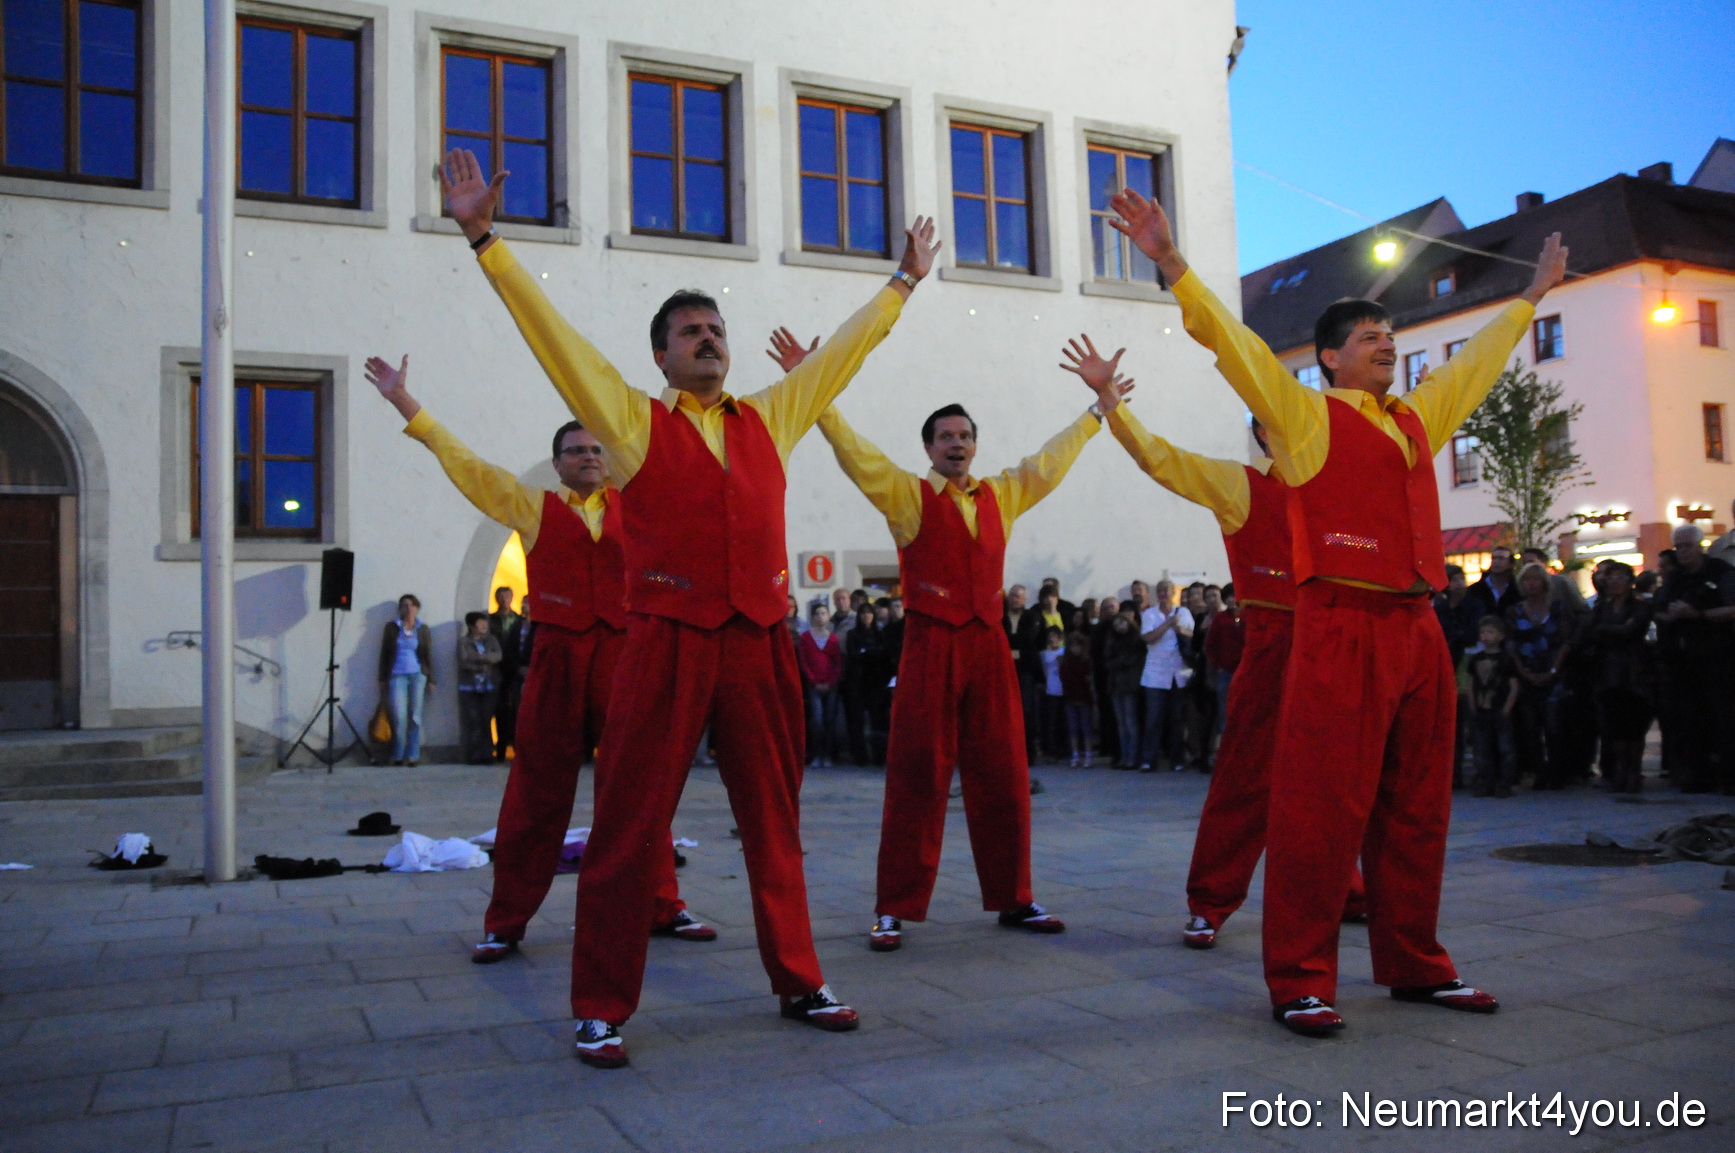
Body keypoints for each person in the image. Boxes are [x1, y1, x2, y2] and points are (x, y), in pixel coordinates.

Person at [439, 147, 939, 1065]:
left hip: (756, 642)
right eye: (690, 332)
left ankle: (801, 978)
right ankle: (598, 1002)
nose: (708, 339)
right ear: (661, 356)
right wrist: (485, 237)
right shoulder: (632, 424)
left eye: (715, 329)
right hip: (664, 642)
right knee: (630, 826)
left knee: (773, 823)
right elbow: (550, 335)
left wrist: (901, 283)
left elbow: (840, 356)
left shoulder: (772, 417)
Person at [1108, 184, 1566, 1034]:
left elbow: (1471, 368)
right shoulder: (1304, 417)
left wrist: (1529, 299)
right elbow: (1235, 348)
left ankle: (1415, 962)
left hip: (1416, 624)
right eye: (1368, 338)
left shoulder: (1412, 420)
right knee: (1319, 806)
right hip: (1338, 624)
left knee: (1417, 806)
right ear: (1327, 358)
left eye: (1389, 335)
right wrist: (1171, 263)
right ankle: (1299, 977)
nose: (1387, 345)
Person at [363, 357, 711, 965]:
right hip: (558, 657)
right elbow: (467, 468)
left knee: (639, 789)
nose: (589, 456)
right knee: (534, 795)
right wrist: (405, 405)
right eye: (576, 450)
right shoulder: (533, 508)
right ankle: (506, 920)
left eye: (597, 448)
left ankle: (662, 903)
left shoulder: (639, 504)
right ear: (558, 464)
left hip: (624, 656)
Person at [791, 335, 1125, 954]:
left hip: (988, 646)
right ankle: (893, 906)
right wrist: (816, 392)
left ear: (975, 443)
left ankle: (1015, 896)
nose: (957, 444)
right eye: (945, 436)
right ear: (928, 448)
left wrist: (1098, 411)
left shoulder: (1003, 492)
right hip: (930, 644)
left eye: (964, 435)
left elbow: (1051, 459)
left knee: (1003, 772)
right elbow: (854, 453)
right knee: (917, 774)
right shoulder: (906, 497)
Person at [1085, 374, 1365, 946]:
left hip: (1334, 644)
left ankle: (1346, 889)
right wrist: (1114, 411)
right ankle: (1211, 900)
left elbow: (1365, 548)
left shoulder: (1336, 487)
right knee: (1245, 780)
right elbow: (1163, 460)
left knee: (1334, 782)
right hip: (1273, 647)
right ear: (1264, 432)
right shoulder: (1242, 487)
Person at [1651, 524, 1735, 793]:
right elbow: (1658, 610)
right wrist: (1672, 615)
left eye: (1686, 546)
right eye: (1678, 546)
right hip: (1683, 660)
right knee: (1688, 718)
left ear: (1700, 545)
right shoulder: (1675, 579)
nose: (1682, 552)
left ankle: (1728, 776)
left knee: (1723, 718)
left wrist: (1699, 614)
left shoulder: (1720, 572)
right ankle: (1695, 774)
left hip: (1718, 657)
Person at [1575, 562, 1654, 793]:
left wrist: (1609, 631)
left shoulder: (1640, 606)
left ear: (1630, 581)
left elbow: (1634, 630)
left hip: (1634, 672)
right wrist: (1616, 630)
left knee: (1635, 725)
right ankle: (1619, 770)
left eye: (1621, 577)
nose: (1616, 582)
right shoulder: (1600, 608)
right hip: (1607, 672)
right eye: (1612, 577)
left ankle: (1633, 770)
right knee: (1614, 725)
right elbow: (1590, 633)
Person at [1505, 562, 1569, 789]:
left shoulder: (1557, 608)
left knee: (1554, 726)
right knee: (1530, 727)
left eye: (1535, 579)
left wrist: (1553, 670)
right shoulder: (1515, 611)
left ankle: (1557, 772)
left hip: (1553, 673)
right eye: (1526, 580)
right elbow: (1511, 645)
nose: (1531, 584)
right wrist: (1524, 672)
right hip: (1526, 674)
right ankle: (1538, 771)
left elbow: (1565, 641)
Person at [1434, 564, 1483, 788]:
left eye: (1460, 579)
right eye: (1453, 579)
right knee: (1453, 722)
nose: (1458, 584)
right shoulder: (1441, 607)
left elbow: (1472, 633)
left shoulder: (1473, 605)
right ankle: (1453, 774)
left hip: (1469, 664)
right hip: (1448, 663)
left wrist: (1457, 637)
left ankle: (1480, 771)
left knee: (1472, 719)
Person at [1136, 579, 1193, 772]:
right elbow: (1148, 638)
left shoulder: (1184, 612)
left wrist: (1180, 629)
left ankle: (1177, 759)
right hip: (1155, 674)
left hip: (1178, 672)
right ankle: (1149, 759)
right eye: (1159, 591)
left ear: (1173, 593)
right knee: (1153, 719)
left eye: (1166, 591)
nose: (1163, 594)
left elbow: (1192, 635)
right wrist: (1168, 624)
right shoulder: (1150, 614)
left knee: (1177, 719)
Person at [1461, 617, 1521, 798]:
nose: (1486, 636)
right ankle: (1486, 782)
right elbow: (1471, 684)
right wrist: (1472, 705)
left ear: (1501, 636)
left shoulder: (1506, 659)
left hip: (1500, 708)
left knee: (1505, 748)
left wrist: (1507, 708)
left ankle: (1504, 783)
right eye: (1483, 632)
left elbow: (1513, 685)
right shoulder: (1475, 659)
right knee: (1481, 749)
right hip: (1481, 710)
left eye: (1490, 632)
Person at [377, 594, 431, 766]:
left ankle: (413, 754)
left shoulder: (422, 628)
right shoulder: (393, 627)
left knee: (415, 716)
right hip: (397, 674)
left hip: (417, 675)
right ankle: (398, 754)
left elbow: (428, 654)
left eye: (411, 605)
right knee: (399, 717)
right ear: (400, 609)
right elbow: (385, 653)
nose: (408, 609)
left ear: (417, 607)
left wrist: (432, 678)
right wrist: (383, 678)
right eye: (405, 606)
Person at [797, 603, 845, 768]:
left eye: (823, 613)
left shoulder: (833, 639)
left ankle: (827, 755)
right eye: (817, 613)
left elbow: (838, 663)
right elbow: (804, 662)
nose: (820, 616)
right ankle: (816, 754)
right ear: (812, 617)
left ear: (828, 616)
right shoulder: (805, 638)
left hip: (831, 685)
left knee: (830, 720)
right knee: (817, 720)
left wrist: (831, 682)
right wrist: (814, 682)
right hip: (814, 684)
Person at [1002, 583, 1047, 759]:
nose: (1014, 599)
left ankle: (1029, 752)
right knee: (1006, 712)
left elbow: (1030, 639)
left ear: (1024, 599)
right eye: (1012, 595)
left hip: (1026, 671)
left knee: (1027, 711)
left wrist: (1011, 641)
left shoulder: (1032, 616)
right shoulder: (1001, 617)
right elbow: (998, 638)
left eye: (1017, 596)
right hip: (1005, 670)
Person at [1105, 606, 1147, 769]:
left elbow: (1136, 660)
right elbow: (1108, 662)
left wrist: (1121, 661)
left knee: (1131, 722)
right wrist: (1120, 662)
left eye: (1121, 622)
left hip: (1130, 685)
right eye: (1116, 623)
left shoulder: (1136, 639)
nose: (1119, 626)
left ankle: (1133, 757)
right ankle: (1124, 756)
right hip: (1115, 684)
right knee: (1121, 724)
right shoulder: (1112, 640)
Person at [488, 587, 523, 760]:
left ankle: (517, 746)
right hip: (497, 669)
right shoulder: (490, 620)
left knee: (517, 708)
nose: (504, 599)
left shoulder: (519, 620)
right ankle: (500, 747)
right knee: (499, 709)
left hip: (515, 668)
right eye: (500, 596)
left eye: (507, 596)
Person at [1091, 596, 1123, 764]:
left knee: (1120, 716)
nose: (1109, 611)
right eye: (1106, 608)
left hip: (1119, 677)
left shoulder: (1122, 628)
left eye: (1112, 607)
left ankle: (1120, 751)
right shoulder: (1097, 630)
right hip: (1102, 677)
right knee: (1106, 713)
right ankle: (1108, 747)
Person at [1060, 631, 1095, 767]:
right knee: (1072, 727)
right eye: (1073, 646)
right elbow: (1065, 678)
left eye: (1078, 646)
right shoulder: (1065, 661)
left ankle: (1088, 754)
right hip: (1070, 697)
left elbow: (1087, 679)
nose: (1075, 649)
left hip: (1084, 697)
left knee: (1086, 727)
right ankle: (1075, 754)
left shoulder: (1086, 661)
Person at [1467, 547, 1520, 618]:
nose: (1496, 561)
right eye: (1494, 558)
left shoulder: (1518, 589)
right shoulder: (1475, 590)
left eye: (1501, 558)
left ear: (1511, 564)